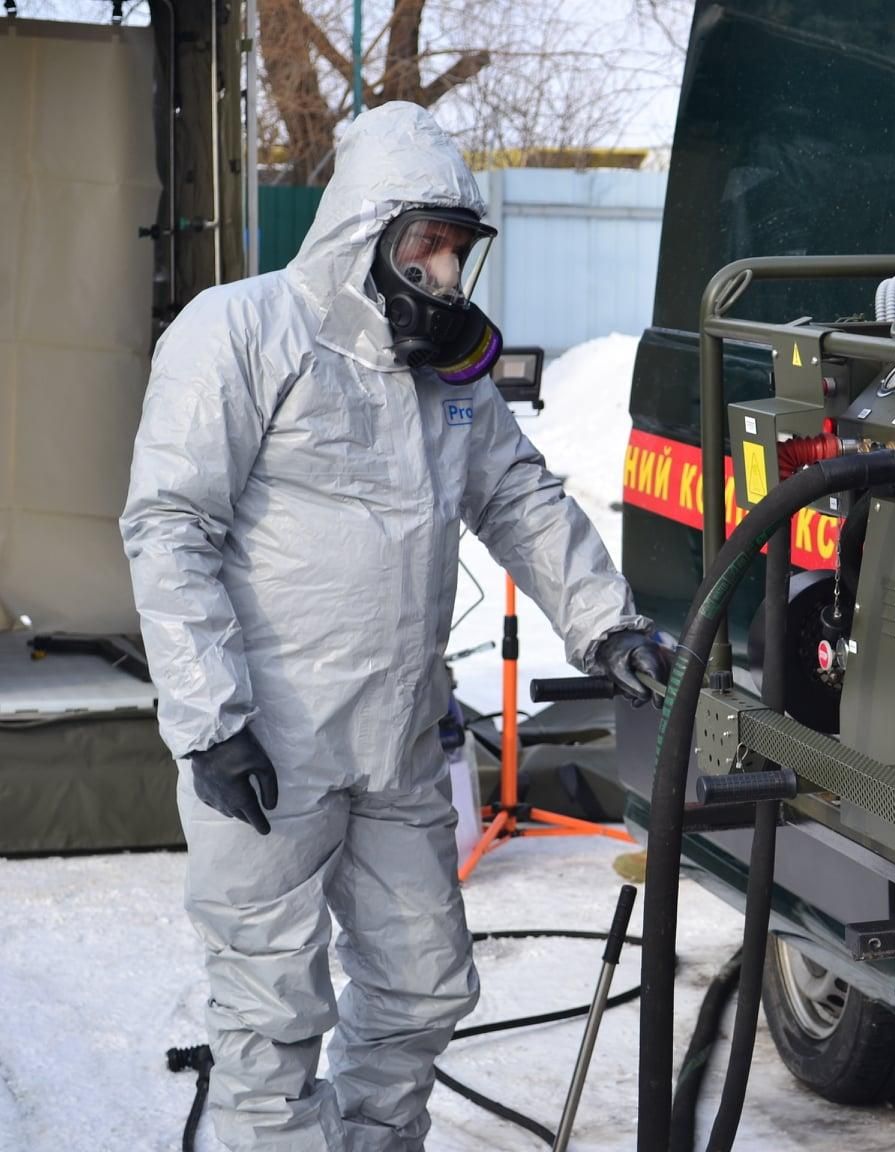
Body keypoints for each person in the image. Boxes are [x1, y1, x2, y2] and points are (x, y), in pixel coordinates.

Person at [120, 102, 665, 1151]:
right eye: (426, 246)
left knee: (423, 987)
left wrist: (607, 625)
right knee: (272, 1017)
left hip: (400, 741)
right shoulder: (242, 332)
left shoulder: (448, 375)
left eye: (458, 250)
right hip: (268, 742)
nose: (444, 274)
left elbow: (518, 498)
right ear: (362, 232)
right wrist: (210, 719)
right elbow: (171, 525)